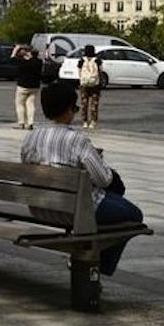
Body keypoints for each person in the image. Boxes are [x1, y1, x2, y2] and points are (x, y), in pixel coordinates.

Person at [22, 82, 142, 276]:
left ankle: (92, 257)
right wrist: (97, 160)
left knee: (114, 207)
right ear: (69, 108)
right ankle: (98, 265)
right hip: (75, 211)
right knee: (134, 216)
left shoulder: (31, 137)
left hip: (40, 207)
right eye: (75, 107)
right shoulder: (77, 140)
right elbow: (103, 180)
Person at [11, 43, 43, 129]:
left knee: (20, 104)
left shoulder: (23, 62)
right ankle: (30, 122)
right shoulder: (39, 62)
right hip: (34, 86)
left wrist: (16, 49)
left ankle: (21, 123)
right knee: (30, 104)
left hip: (23, 86)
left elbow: (12, 59)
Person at [78, 45, 104, 130]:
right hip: (95, 85)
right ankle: (93, 122)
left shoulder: (82, 60)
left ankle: (85, 122)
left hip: (84, 84)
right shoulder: (97, 60)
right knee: (94, 105)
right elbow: (100, 71)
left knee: (84, 104)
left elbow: (79, 71)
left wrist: (81, 80)